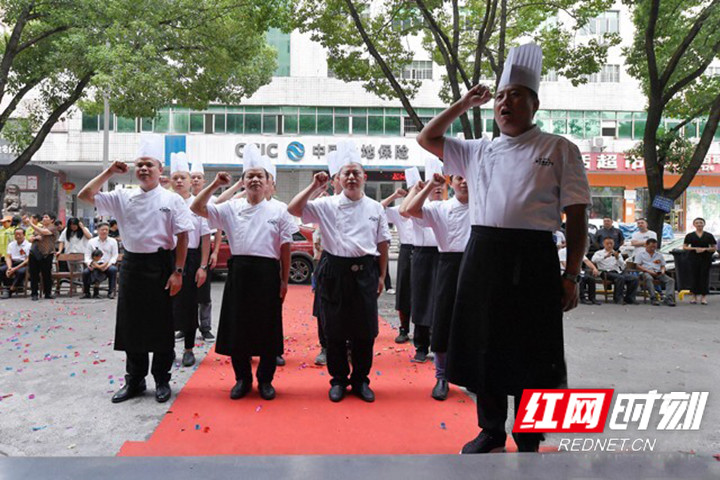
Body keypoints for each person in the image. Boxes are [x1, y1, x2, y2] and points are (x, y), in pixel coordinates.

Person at [416, 43, 591, 453]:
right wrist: (463, 103)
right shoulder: (479, 149)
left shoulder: (558, 148)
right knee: (484, 343)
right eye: (499, 96)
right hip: (484, 254)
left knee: (534, 345)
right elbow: (428, 137)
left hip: (534, 256)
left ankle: (529, 434)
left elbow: (578, 215)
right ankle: (491, 428)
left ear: (534, 103)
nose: (504, 103)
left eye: (515, 95)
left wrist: (571, 275)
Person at [78, 134, 194, 404]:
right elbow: (86, 195)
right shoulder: (122, 196)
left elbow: (184, 237)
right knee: (132, 325)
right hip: (132, 263)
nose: (143, 169)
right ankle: (135, 381)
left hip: (161, 264)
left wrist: (178, 272)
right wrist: (108, 171)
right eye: (139, 164)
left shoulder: (172, 199)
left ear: (159, 170)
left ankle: (162, 380)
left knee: (162, 324)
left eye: (149, 165)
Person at [288, 141, 391, 403]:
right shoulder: (327, 204)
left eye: (356, 172)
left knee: (365, 332)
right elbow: (294, 209)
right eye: (346, 173)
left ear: (364, 177)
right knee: (334, 330)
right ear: (338, 178)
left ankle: (360, 380)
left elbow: (382, 244)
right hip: (334, 270)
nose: (352, 177)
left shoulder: (375, 208)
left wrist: (380, 277)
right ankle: (338, 380)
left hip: (365, 271)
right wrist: (314, 186)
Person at [191, 146, 296, 401]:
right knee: (238, 327)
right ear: (243, 181)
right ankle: (242, 379)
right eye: (250, 176)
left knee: (268, 328)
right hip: (239, 272)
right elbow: (196, 207)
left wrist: (284, 279)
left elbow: (285, 247)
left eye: (260, 175)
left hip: (268, 273)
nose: (255, 180)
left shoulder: (279, 211)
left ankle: (265, 380)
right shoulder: (230, 208)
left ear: (269, 181)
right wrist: (215, 183)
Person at [404, 173, 470, 401]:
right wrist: (430, 185)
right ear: (451, 182)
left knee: (474, 323)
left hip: (476, 265)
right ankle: (441, 376)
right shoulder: (441, 207)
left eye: (469, 177)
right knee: (442, 321)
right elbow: (410, 210)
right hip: (448, 265)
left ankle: (472, 374)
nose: (464, 182)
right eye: (460, 178)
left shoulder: (484, 207)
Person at [168, 152, 211, 367]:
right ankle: (166, 348)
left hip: (192, 258)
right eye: (174, 177)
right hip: (167, 257)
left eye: (182, 178)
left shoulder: (197, 204)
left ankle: (188, 349)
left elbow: (205, 238)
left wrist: (203, 266)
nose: (178, 181)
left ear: (189, 180)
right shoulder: (164, 201)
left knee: (188, 305)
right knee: (166, 305)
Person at [400, 163, 443, 364]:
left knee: (440, 301)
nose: (438, 188)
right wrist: (416, 190)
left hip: (442, 256)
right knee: (420, 300)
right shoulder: (419, 208)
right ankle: (420, 345)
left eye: (441, 185)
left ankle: (438, 344)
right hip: (421, 256)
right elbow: (403, 210)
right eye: (434, 185)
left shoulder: (449, 206)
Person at [189, 157, 218, 341]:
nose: (196, 180)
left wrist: (214, 253)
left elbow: (217, 228)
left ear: (204, 180)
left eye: (199, 177)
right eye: (193, 177)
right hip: (187, 252)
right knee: (186, 294)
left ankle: (205, 327)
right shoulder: (183, 200)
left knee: (204, 293)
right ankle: (186, 326)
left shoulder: (212, 199)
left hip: (203, 251)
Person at [381, 188, 413, 344]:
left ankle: (428, 330)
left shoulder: (431, 206)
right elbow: (379, 208)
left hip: (430, 252)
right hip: (407, 250)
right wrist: (394, 195)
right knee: (404, 291)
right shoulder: (400, 211)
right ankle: (404, 329)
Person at [590, 237, 639, 304]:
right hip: (605, 272)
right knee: (620, 278)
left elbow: (623, 266)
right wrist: (605, 256)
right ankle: (618, 298)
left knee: (634, 279)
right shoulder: (599, 253)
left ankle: (630, 298)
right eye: (607, 243)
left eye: (611, 243)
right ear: (603, 244)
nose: (609, 245)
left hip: (617, 271)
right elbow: (593, 260)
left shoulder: (616, 253)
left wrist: (617, 258)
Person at [683, 217, 716, 305]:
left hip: (705, 258)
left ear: (704, 224)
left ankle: (704, 297)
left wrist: (705, 249)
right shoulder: (690, 235)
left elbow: (714, 248)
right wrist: (695, 248)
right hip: (693, 258)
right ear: (694, 225)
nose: (699, 224)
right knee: (694, 277)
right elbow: (685, 247)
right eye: (697, 223)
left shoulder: (709, 235)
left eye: (701, 222)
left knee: (704, 277)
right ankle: (694, 297)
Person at [82, 222, 119, 299]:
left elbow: (115, 255)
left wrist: (109, 264)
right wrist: (89, 264)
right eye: (102, 230)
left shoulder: (113, 241)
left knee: (113, 270)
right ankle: (87, 293)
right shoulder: (91, 241)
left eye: (106, 230)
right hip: (94, 264)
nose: (104, 231)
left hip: (107, 264)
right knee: (85, 272)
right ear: (98, 230)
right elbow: (87, 256)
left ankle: (111, 292)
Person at [635, 238, 675, 306]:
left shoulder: (659, 255)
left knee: (670, 280)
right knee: (648, 278)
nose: (653, 248)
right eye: (651, 247)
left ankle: (669, 298)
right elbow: (637, 266)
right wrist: (649, 271)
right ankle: (653, 297)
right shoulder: (640, 254)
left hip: (657, 272)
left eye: (654, 247)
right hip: (646, 272)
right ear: (646, 245)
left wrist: (662, 271)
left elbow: (663, 265)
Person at [28, 212, 59, 300]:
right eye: (43, 217)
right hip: (35, 253)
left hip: (47, 254)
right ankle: (34, 294)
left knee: (46, 274)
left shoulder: (53, 228)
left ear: (52, 220)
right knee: (34, 274)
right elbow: (30, 239)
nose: (44, 218)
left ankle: (47, 293)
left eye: (46, 217)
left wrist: (31, 223)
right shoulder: (39, 228)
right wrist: (35, 238)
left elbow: (44, 232)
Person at [1, 228, 30, 298]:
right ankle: (6, 288)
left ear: (24, 235)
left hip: (24, 264)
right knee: (2, 269)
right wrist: (10, 267)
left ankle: (12, 289)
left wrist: (15, 269)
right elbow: (8, 257)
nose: (18, 236)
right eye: (16, 234)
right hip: (13, 263)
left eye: (20, 234)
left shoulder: (29, 245)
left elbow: (27, 260)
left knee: (20, 272)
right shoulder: (11, 244)